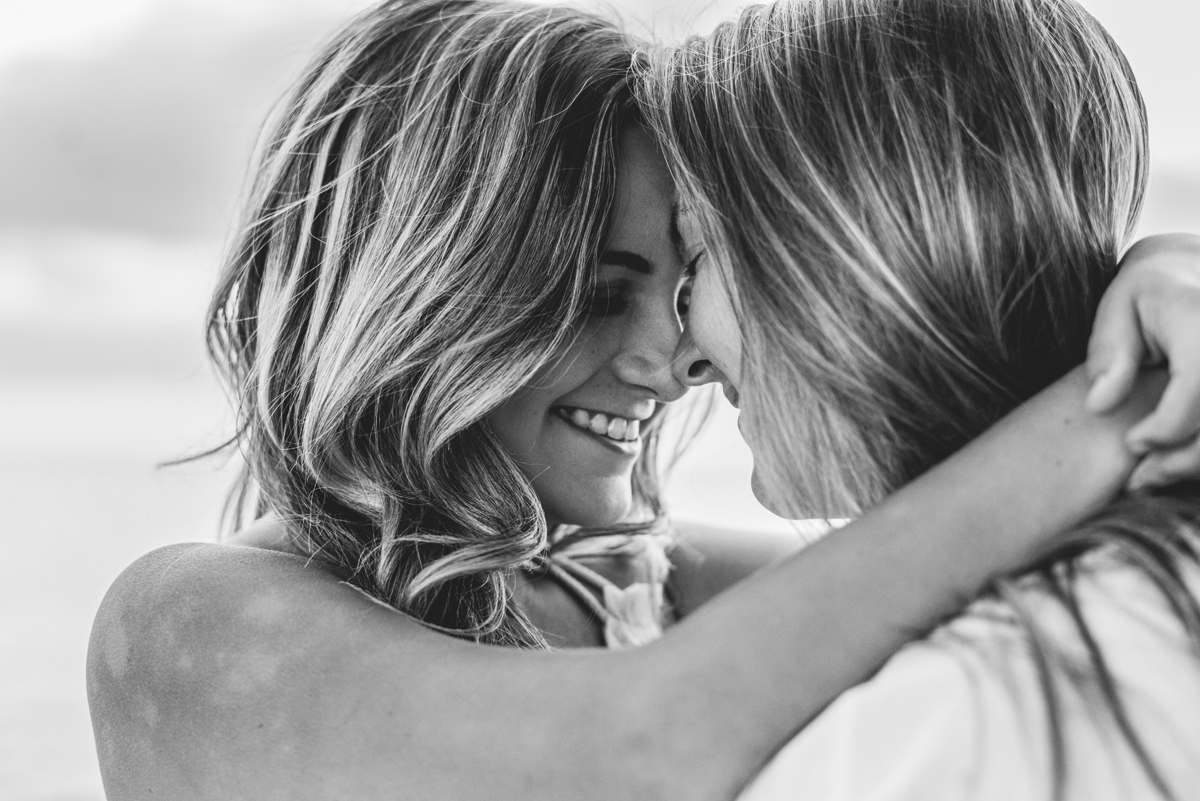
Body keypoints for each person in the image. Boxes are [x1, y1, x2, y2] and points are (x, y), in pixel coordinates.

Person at [87, 0, 1200, 799]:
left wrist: (1152, 272)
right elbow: (636, 756)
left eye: (681, 286)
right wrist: (1107, 402)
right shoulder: (189, 620)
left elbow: (937, 520)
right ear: (420, 297)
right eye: (590, 296)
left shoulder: (665, 587)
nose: (671, 357)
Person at [646, 0, 1200, 796]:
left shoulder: (944, 724)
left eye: (693, 259)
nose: (682, 359)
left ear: (826, 239)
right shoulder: (1130, 586)